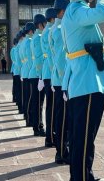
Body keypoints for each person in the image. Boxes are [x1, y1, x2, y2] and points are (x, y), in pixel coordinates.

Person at [62, 0, 104, 181]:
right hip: (88, 80)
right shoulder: (76, 10)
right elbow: (103, 14)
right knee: (83, 136)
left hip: (85, 79)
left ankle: (84, 175)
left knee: (83, 136)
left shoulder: (75, 10)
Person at [50, 0, 70, 164]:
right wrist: (66, 82)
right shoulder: (60, 28)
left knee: (62, 116)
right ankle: (62, 152)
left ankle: (63, 149)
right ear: (63, 11)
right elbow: (62, 57)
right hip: (63, 80)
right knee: (63, 118)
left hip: (58, 79)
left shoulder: (55, 28)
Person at [28, 14, 47, 137]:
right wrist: (41, 76)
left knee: (37, 102)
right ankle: (38, 127)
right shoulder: (38, 37)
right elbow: (39, 59)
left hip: (35, 73)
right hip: (37, 74)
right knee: (38, 103)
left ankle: (37, 126)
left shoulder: (36, 37)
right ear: (40, 24)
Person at [42, 8, 57, 147]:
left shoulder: (47, 31)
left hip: (49, 72)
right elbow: (51, 54)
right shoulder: (51, 30)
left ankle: (51, 136)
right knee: (52, 108)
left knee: (51, 107)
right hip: (51, 73)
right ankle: (51, 137)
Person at [20, 22, 35, 126]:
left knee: (27, 97)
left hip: (25, 71)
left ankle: (27, 117)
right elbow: (30, 59)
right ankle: (29, 119)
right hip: (30, 71)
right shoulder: (29, 41)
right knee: (31, 98)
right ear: (31, 31)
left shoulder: (23, 42)